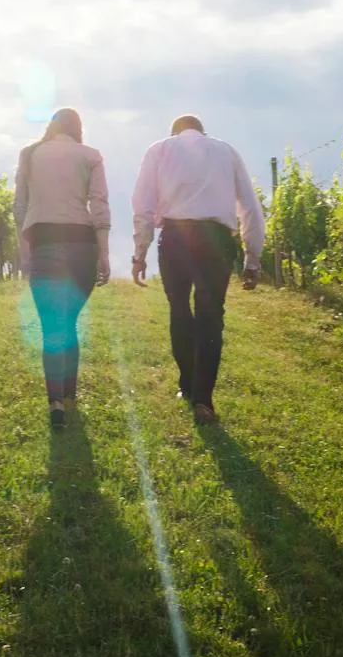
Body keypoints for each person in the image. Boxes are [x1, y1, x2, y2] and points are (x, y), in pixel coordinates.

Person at [131, 113, 266, 425]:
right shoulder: (227, 151)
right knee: (210, 316)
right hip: (216, 241)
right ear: (202, 132)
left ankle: (187, 384)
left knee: (179, 311)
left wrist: (140, 252)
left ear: (174, 132)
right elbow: (250, 207)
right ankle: (204, 399)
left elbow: (142, 205)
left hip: (175, 239)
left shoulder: (159, 150)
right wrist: (252, 258)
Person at [14, 107, 111, 429]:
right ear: (78, 129)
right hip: (83, 246)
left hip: (44, 243)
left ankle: (56, 400)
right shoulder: (90, 155)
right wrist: (104, 253)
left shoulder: (30, 155)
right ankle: (69, 394)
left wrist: (25, 251)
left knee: (52, 325)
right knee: (69, 321)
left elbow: (20, 207)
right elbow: (99, 204)